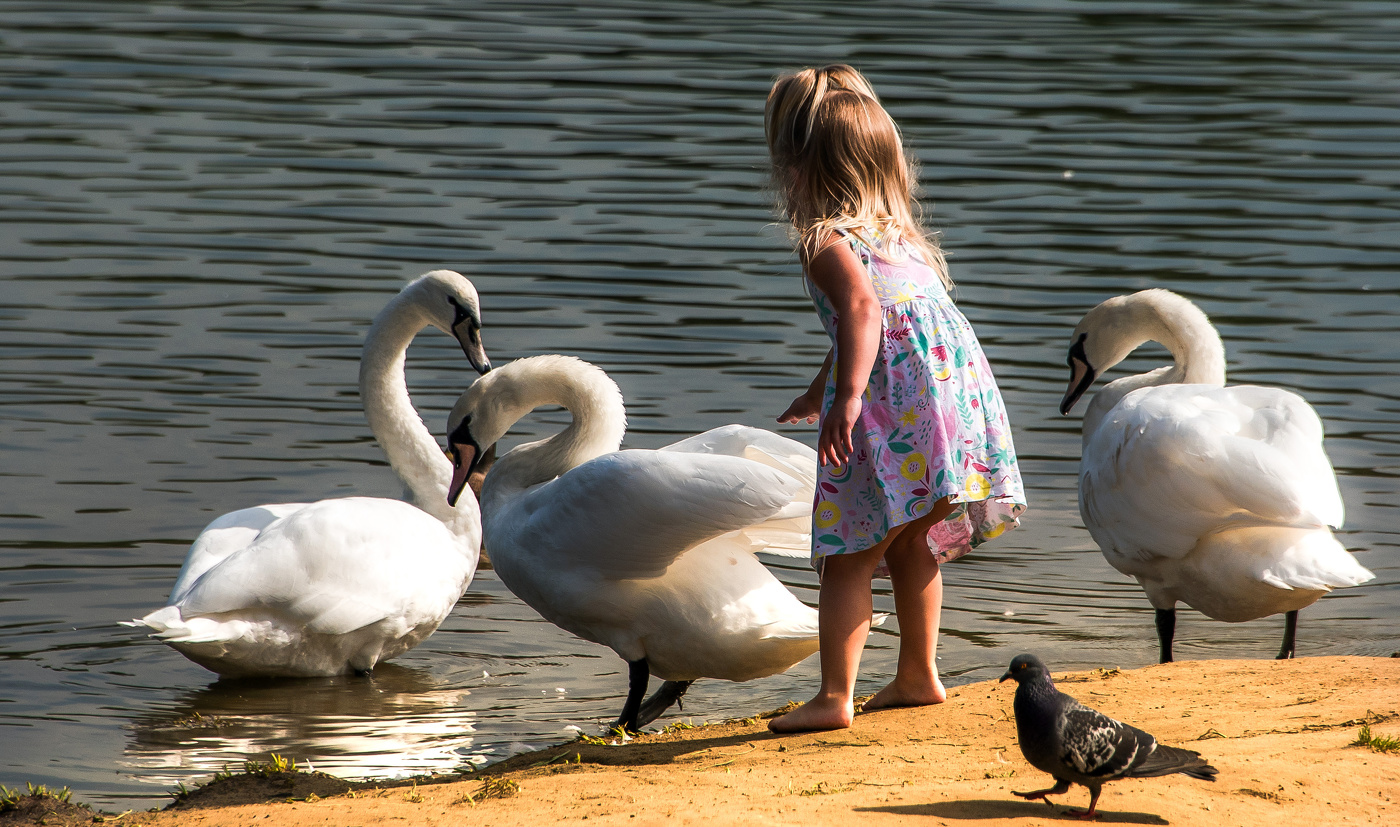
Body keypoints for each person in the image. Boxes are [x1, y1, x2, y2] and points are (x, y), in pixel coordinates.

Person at [765, 64, 1026, 733]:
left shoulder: (825, 240)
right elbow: (878, 318)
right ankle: (919, 674)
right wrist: (822, 384)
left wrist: (847, 397)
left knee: (850, 553)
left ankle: (833, 696)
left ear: (798, 165)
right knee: (911, 545)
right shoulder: (903, 241)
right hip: (950, 413)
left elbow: (858, 308)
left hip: (891, 415)